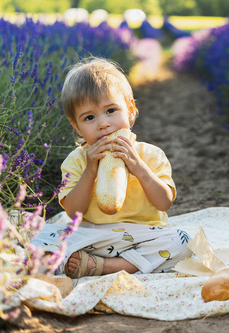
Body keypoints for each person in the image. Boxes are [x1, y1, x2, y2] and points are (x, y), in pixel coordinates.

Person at [56, 56, 192, 278]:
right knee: (44, 243)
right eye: (89, 117)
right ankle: (107, 263)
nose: (103, 124)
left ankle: (109, 266)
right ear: (77, 127)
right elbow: (73, 213)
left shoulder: (150, 155)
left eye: (111, 110)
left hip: (144, 237)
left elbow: (164, 202)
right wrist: (90, 170)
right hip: (95, 238)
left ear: (129, 110)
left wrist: (138, 167)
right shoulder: (76, 161)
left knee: (184, 242)